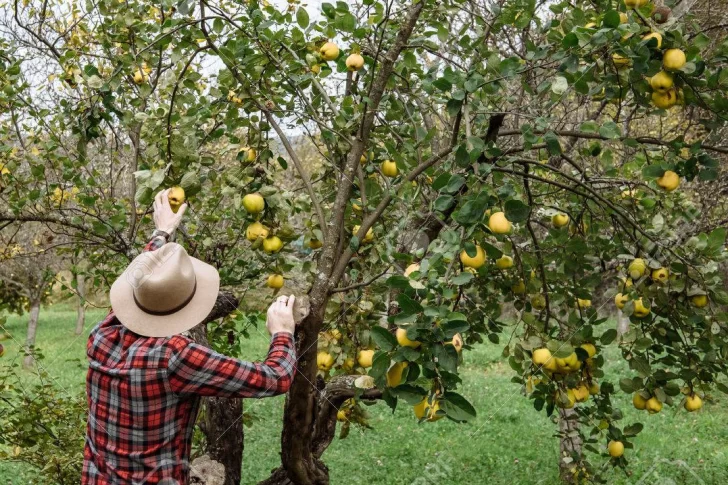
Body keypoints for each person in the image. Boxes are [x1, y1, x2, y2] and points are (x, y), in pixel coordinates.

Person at [82, 189, 297, 484]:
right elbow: (275, 378)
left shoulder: (103, 333)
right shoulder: (175, 356)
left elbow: (141, 282)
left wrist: (162, 232)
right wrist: (282, 332)